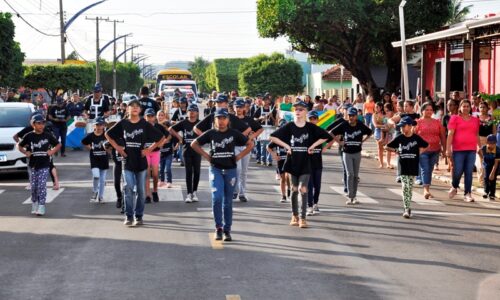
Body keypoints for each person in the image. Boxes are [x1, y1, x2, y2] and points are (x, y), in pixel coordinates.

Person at [191, 107, 254, 241]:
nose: (221, 121)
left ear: (228, 120)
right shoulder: (211, 133)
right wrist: (207, 156)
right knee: (217, 197)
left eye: (224, 118)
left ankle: (227, 230)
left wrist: (239, 156)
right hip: (216, 169)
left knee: (228, 201)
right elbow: (194, 144)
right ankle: (218, 227)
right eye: (218, 118)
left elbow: (250, 144)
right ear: (214, 120)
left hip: (231, 169)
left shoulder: (234, 133)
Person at [269, 100, 331, 228]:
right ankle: (294, 215)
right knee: (294, 189)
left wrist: (313, 146)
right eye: (296, 109)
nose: (298, 111)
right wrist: (287, 146)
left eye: (301, 109)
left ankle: (303, 218)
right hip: (292, 162)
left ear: (306, 112)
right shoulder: (290, 126)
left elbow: (325, 136)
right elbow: (273, 137)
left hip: (306, 162)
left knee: (303, 188)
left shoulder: (310, 127)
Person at [105, 99, 163, 226]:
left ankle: (139, 216)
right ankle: (129, 216)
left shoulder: (144, 124)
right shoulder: (123, 123)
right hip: (128, 161)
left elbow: (161, 138)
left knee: (141, 191)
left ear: (140, 110)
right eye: (132, 106)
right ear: (127, 109)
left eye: (137, 106)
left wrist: (149, 149)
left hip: (141, 163)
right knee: (128, 188)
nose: (135, 108)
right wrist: (118, 148)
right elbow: (108, 134)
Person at [17, 114, 61, 216]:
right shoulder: (29, 136)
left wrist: (52, 151)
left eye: (43, 123)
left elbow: (58, 144)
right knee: (34, 187)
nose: (41, 125)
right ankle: (35, 203)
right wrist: (25, 152)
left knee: (41, 185)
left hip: (45, 164)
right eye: (39, 123)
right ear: (33, 124)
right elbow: (19, 145)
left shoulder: (47, 135)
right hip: (33, 165)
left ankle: (42, 205)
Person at [385, 116, 429, 218]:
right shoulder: (399, 137)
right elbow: (387, 146)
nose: (401, 129)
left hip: (413, 166)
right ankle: (406, 208)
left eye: (403, 126)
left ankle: (408, 206)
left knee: (410, 187)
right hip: (403, 166)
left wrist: (420, 151)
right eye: (400, 127)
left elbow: (427, 145)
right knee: (405, 186)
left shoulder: (416, 138)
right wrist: (396, 151)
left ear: (409, 126)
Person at [331, 107, 373, 205]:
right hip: (347, 152)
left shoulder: (360, 125)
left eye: (353, 116)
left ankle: (354, 196)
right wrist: (339, 142)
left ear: (356, 116)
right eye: (350, 115)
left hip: (357, 152)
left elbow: (370, 132)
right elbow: (331, 132)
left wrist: (363, 141)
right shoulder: (344, 125)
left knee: (355, 175)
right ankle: (350, 197)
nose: (351, 117)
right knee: (350, 174)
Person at [446, 100, 480, 202]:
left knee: (469, 172)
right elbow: (450, 134)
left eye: (467, 106)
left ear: (470, 108)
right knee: (458, 171)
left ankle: (468, 193)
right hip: (458, 150)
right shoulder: (454, 118)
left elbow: (476, 135)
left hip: (471, 150)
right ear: (460, 108)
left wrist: (480, 147)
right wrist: (448, 149)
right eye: (463, 106)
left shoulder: (475, 120)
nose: (465, 108)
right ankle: (454, 186)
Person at [170, 104, 201, 203]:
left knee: (196, 172)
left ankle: (195, 192)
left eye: (194, 111)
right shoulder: (184, 123)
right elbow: (170, 129)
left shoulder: (200, 123)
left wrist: (201, 140)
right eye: (190, 111)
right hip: (186, 150)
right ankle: (188, 193)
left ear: (197, 112)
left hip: (197, 151)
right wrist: (180, 138)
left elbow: (207, 133)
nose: (191, 112)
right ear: (187, 112)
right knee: (188, 172)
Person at [233, 99, 263, 201]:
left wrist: (252, 137)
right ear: (234, 108)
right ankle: (235, 190)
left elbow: (260, 128)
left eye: (240, 107)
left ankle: (242, 193)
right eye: (237, 107)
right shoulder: (231, 119)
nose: (239, 109)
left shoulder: (248, 120)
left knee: (244, 171)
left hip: (246, 147)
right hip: (235, 147)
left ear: (244, 108)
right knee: (237, 170)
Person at [414, 102, 446, 199]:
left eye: (431, 110)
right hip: (422, 150)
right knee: (425, 169)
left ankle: (427, 187)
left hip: (435, 150)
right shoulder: (417, 122)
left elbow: (442, 136)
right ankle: (426, 190)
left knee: (430, 169)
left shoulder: (437, 122)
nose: (429, 111)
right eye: (426, 109)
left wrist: (444, 149)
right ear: (422, 111)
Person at [306, 110, 333, 215]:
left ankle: (315, 203)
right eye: (310, 119)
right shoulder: (305, 132)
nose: (312, 120)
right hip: (308, 163)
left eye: (314, 119)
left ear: (317, 120)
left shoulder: (320, 130)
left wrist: (325, 148)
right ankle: (309, 206)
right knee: (309, 185)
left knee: (317, 185)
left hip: (318, 163)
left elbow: (331, 139)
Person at [143, 108, 169, 203]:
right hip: (145, 152)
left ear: (154, 117)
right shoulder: (142, 127)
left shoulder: (159, 126)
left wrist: (162, 143)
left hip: (155, 152)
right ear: (145, 117)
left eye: (152, 116)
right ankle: (148, 195)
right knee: (146, 174)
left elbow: (168, 135)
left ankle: (155, 191)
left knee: (155, 174)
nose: (150, 118)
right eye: (148, 116)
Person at [81, 117, 109, 203]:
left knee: (103, 179)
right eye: (97, 125)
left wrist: (109, 149)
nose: (99, 126)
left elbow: (112, 143)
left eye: (101, 125)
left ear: (104, 125)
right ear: (94, 126)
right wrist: (90, 148)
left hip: (104, 159)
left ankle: (101, 197)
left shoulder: (106, 135)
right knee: (96, 176)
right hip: (94, 159)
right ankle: (94, 191)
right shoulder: (91, 135)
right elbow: (83, 142)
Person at [267, 120, 291, 203]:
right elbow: (268, 147)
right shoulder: (277, 139)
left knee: (288, 176)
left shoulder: (291, 138)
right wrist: (274, 155)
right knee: (282, 178)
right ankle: (283, 196)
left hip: (289, 160)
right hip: (280, 160)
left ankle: (289, 187)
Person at [477, 101, 496, 186]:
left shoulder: (491, 118)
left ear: (487, 108)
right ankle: (481, 180)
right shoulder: (476, 118)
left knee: (489, 160)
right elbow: (475, 132)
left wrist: (494, 142)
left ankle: (487, 180)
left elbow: (494, 131)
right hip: (479, 140)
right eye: (481, 107)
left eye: (484, 107)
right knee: (480, 162)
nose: (482, 109)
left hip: (489, 141)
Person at [478, 134, 500, 200]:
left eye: (493, 143)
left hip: (495, 165)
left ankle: (492, 194)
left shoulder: (498, 150)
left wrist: (492, 173)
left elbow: (496, 163)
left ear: (495, 143)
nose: (491, 145)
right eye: (490, 143)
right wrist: (482, 158)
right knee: (486, 177)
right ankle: (486, 192)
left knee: (492, 179)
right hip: (487, 163)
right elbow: (479, 151)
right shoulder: (484, 148)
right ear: (487, 143)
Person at [157, 110, 175, 188]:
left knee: (167, 168)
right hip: (160, 153)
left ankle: (169, 181)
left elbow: (172, 137)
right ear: (156, 116)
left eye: (162, 115)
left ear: (165, 116)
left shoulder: (168, 125)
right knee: (161, 168)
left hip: (168, 152)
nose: (160, 117)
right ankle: (161, 181)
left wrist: (175, 146)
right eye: (159, 115)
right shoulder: (154, 126)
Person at [372, 102, 386, 168]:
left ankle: (387, 162)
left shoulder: (384, 114)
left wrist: (384, 126)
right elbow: (375, 125)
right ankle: (381, 163)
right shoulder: (374, 115)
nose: (376, 108)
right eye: (375, 107)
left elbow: (387, 123)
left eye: (377, 107)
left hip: (386, 132)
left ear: (381, 107)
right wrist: (383, 126)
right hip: (378, 132)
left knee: (386, 147)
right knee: (380, 148)